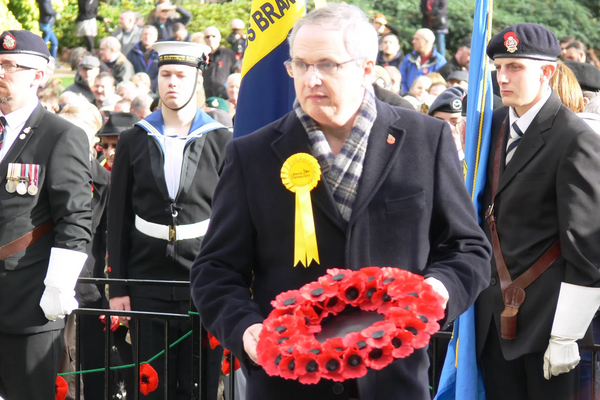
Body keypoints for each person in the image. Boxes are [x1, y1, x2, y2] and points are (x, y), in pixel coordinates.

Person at [190, 5, 491, 400]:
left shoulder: (425, 140)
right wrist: (247, 330)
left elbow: (468, 249)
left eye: (328, 64)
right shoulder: (252, 153)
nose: (311, 78)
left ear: (367, 68)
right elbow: (214, 270)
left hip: (392, 381)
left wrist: (433, 293)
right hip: (288, 381)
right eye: (299, 64)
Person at [475, 23, 600, 400]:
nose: (503, 77)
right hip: (492, 320)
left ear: (546, 72)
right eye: (499, 68)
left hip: (547, 324)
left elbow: (588, 250)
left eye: (515, 67)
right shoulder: (494, 123)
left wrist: (567, 332)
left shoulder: (575, 139)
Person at [107, 41, 232, 400]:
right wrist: (119, 289)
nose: (172, 82)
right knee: (149, 381)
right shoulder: (135, 138)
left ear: (198, 79)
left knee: (200, 380)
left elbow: (232, 218)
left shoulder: (222, 140)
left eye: (182, 75)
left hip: (204, 275)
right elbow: (117, 218)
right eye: (165, 75)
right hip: (147, 276)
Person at [0, 30, 92, 399]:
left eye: (9, 66)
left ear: (38, 76)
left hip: (27, 304)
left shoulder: (60, 135)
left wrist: (57, 286)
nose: (0, 73)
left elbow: (75, 218)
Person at [399, 28, 446, 94]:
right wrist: (406, 95)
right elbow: (401, 80)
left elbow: (440, 84)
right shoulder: (409, 58)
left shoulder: (439, 61)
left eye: (417, 39)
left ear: (426, 42)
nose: (413, 41)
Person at [203, 26, 237, 99]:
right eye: (207, 37)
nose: (210, 39)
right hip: (205, 97)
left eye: (213, 36)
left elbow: (234, 74)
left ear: (219, 37)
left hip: (224, 97)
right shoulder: (201, 56)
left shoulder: (228, 54)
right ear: (204, 39)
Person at [127, 25, 159, 91]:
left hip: (154, 89)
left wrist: (150, 86)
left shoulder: (160, 54)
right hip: (135, 88)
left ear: (156, 37)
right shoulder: (133, 52)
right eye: (145, 34)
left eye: (150, 34)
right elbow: (129, 72)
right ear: (141, 36)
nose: (147, 37)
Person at [36, 0, 59, 65]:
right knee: (44, 43)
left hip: (47, 25)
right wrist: (55, 13)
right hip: (46, 24)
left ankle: (54, 62)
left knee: (54, 42)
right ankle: (42, 60)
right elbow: (47, 11)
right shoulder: (44, 1)